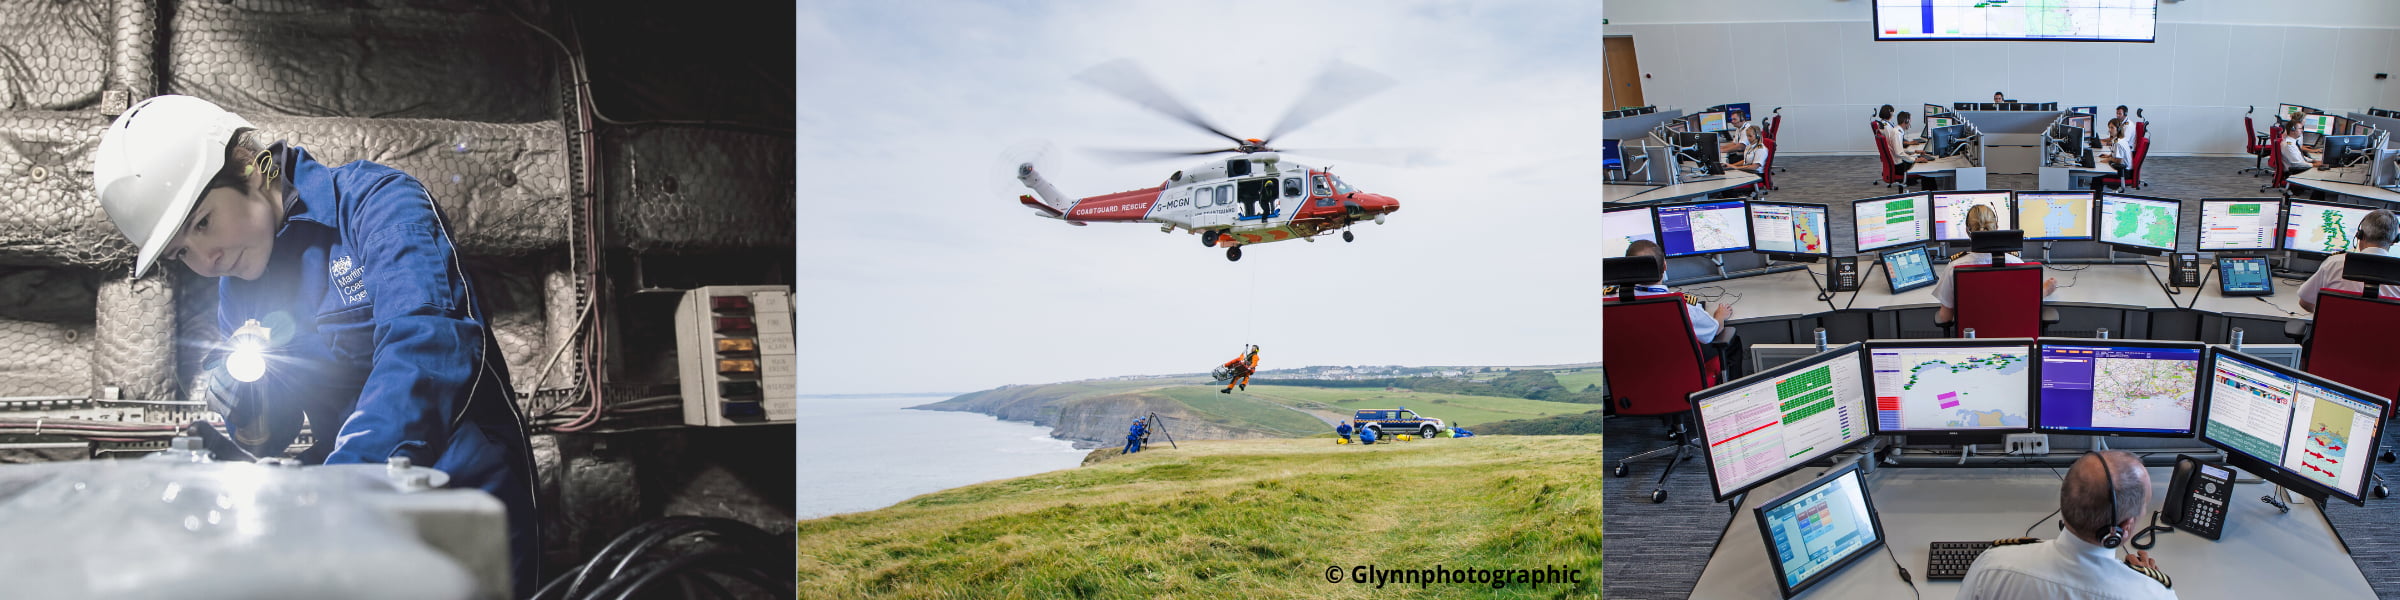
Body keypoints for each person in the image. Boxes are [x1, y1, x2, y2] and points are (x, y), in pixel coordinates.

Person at [92, 95, 540, 595]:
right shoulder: (238, 290)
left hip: (465, 495)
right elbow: (273, 435)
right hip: (352, 514)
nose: (207, 258)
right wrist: (246, 412)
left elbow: (428, 342)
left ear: (251, 166)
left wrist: (346, 482)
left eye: (202, 223)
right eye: (182, 252)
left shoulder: (377, 204)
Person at [1957, 451, 2176, 599]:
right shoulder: (2151, 594)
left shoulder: (1994, 565)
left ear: (2063, 503)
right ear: (2125, 526)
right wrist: (2146, 581)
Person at [1935, 205, 2060, 326]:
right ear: (1997, 227)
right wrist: (2044, 291)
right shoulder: (2016, 264)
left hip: (1971, 342)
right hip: (2013, 342)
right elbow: (2024, 302)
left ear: (1968, 231)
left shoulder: (1955, 268)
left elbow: (1944, 318)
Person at [1622, 240, 1730, 344]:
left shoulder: (1609, 303)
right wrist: (1720, 316)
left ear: (1629, 269)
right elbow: (1713, 331)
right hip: (1680, 362)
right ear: (1665, 266)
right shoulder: (1683, 306)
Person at [2298, 210, 2400, 313]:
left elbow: (2305, 302)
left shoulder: (2335, 263)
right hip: (2382, 329)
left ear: (2361, 235)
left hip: (2335, 328)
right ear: (2393, 241)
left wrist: (2328, 317)